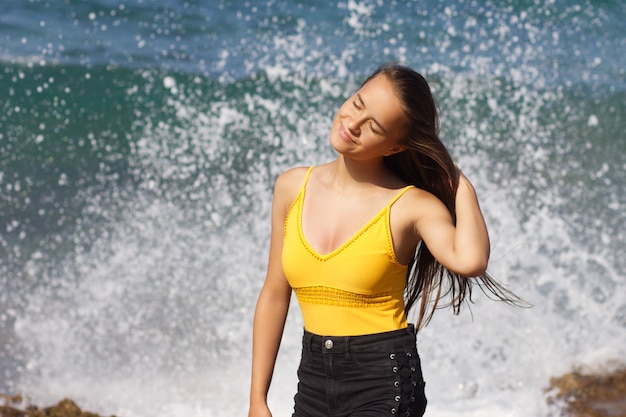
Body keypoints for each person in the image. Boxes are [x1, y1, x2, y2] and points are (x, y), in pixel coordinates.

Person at [248, 63, 522, 417]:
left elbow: (470, 261)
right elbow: (273, 293)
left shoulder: (410, 206)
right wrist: (258, 399)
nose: (353, 124)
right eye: (357, 103)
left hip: (381, 379)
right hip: (313, 382)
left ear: (395, 148)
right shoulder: (291, 187)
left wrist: (457, 181)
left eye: (374, 126)